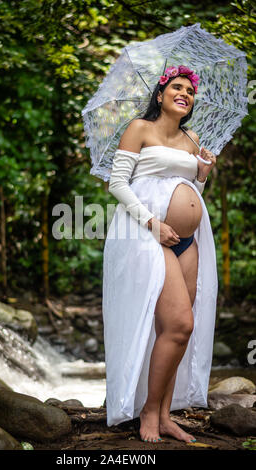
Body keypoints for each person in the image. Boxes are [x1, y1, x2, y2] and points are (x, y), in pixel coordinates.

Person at [102, 65, 218, 444]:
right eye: (177, 87)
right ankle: (149, 410)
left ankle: (166, 414)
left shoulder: (192, 138)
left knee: (179, 330)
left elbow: (192, 190)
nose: (184, 93)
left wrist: (201, 173)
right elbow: (117, 184)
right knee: (180, 323)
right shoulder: (140, 129)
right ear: (161, 94)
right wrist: (152, 222)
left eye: (189, 90)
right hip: (146, 233)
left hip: (188, 239)